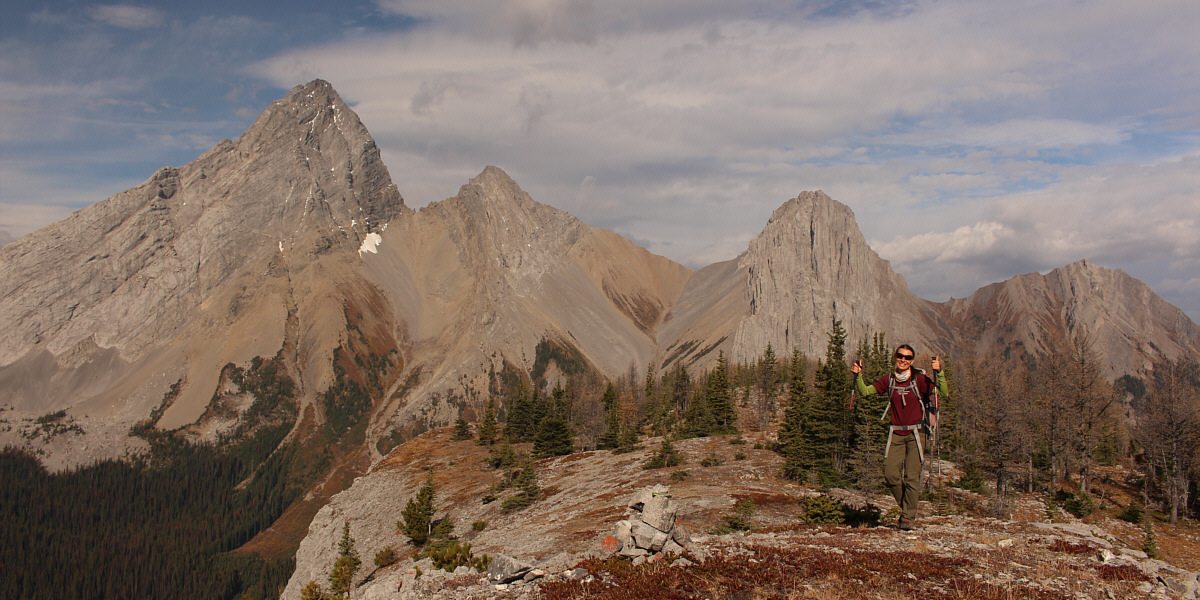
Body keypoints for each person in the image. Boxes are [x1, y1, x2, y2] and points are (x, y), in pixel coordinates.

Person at [851, 344, 948, 530]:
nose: (903, 359)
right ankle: (907, 508)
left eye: (908, 357)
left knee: (912, 477)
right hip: (895, 431)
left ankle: (907, 519)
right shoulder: (889, 380)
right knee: (890, 474)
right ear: (895, 357)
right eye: (900, 356)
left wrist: (940, 373)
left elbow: (942, 393)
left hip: (917, 432)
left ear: (912, 361)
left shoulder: (920, 379)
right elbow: (865, 392)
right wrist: (858, 376)